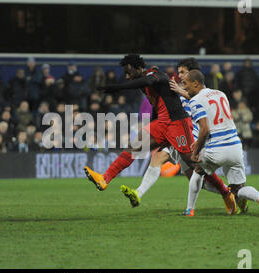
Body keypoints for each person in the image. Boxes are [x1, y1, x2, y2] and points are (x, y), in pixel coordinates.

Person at [120, 57, 235, 214]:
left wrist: (180, 91)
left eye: (182, 72)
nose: (179, 75)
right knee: (159, 158)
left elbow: (199, 104)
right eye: (179, 71)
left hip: (191, 136)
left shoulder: (199, 91)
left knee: (199, 178)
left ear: (193, 74)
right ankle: (138, 194)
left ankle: (230, 193)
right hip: (176, 132)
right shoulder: (177, 87)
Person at [83, 54, 194, 196]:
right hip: (162, 124)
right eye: (125, 74)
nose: (128, 77)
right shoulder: (145, 84)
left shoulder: (154, 74)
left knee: (193, 164)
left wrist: (119, 87)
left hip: (177, 123)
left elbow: (148, 81)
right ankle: (105, 178)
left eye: (129, 72)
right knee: (134, 147)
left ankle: (225, 191)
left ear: (140, 68)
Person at [182, 70, 259, 218]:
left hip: (216, 148)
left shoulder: (195, 101)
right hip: (235, 146)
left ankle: (189, 209)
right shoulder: (220, 94)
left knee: (197, 170)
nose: (185, 87)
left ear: (196, 83)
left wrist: (196, 150)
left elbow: (204, 129)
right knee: (237, 189)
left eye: (186, 83)